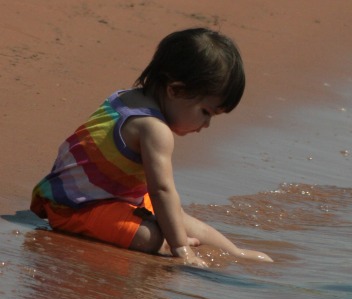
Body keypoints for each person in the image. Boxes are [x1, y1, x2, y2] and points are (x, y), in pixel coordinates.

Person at [30, 28, 273, 267]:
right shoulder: (155, 130)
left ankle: (234, 252)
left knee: (175, 217)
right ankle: (176, 245)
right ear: (175, 90)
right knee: (153, 236)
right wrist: (181, 249)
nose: (206, 124)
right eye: (205, 112)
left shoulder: (126, 97)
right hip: (77, 206)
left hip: (103, 194)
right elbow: (161, 191)